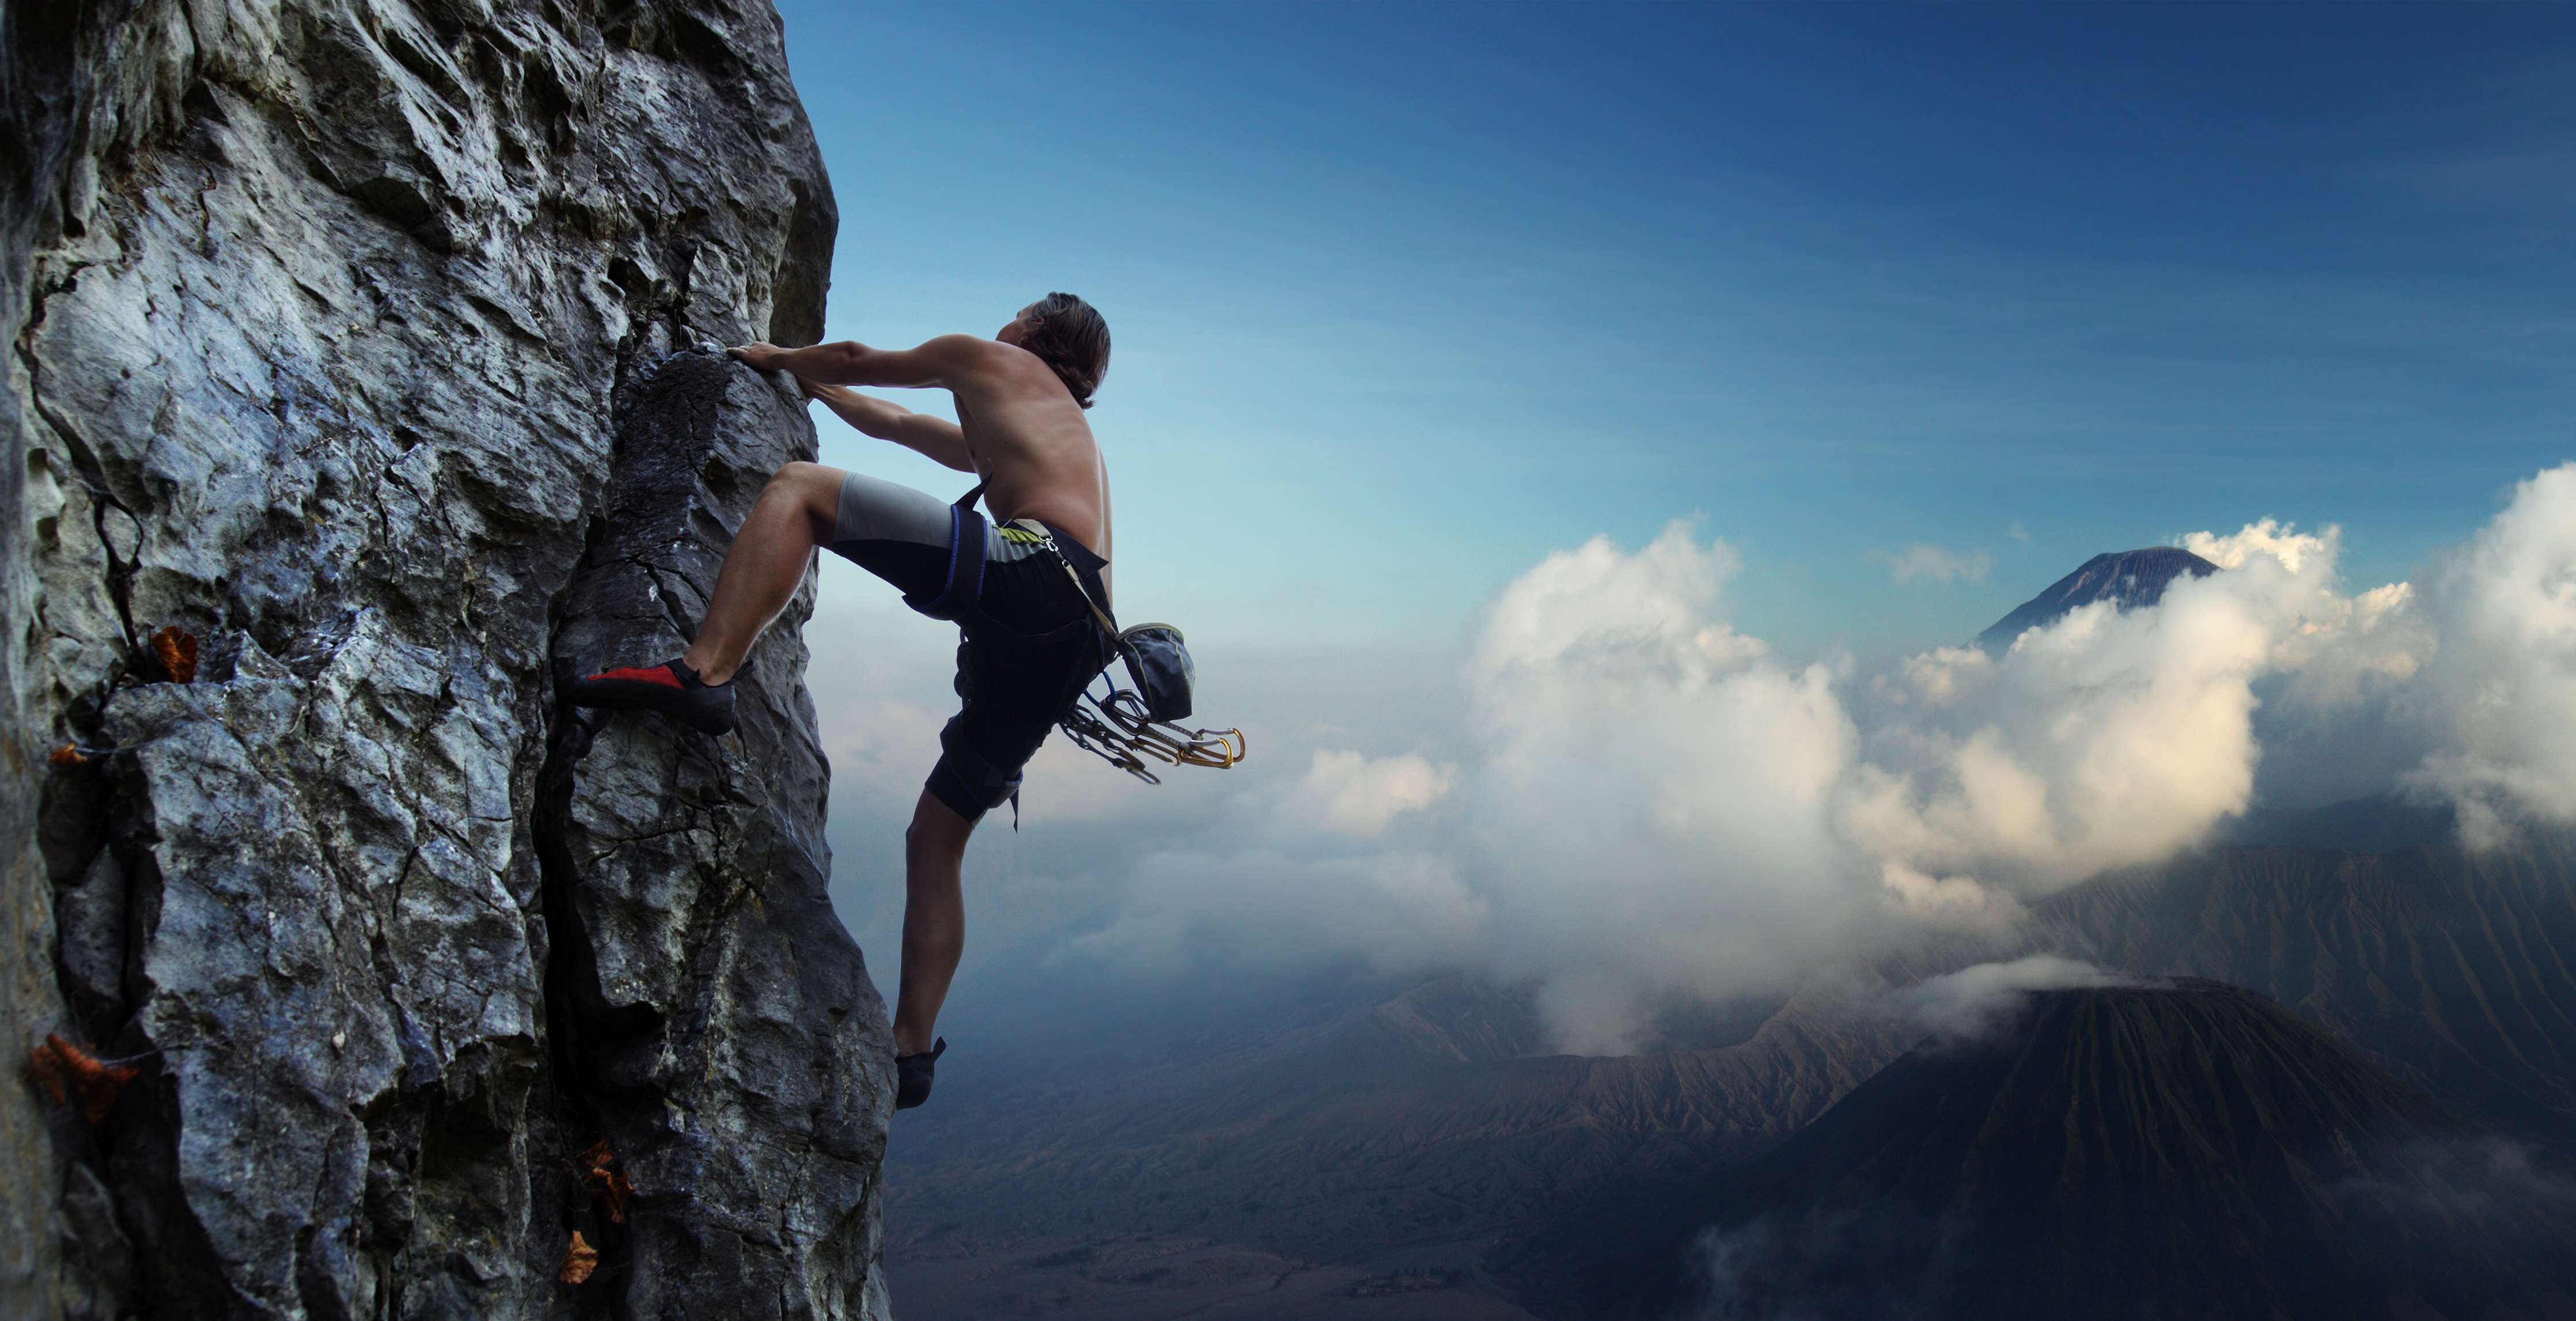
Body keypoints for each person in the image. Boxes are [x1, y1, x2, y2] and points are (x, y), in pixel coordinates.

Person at [565, 293, 1115, 1111]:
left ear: (1034, 330)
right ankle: (911, 1049)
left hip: (1035, 574)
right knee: (937, 837)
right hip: (1078, 639)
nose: (1008, 321)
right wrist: (813, 388)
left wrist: (780, 357)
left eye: (1022, 312)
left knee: (800, 489)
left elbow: (861, 359)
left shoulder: (995, 360)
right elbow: (894, 420)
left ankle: (704, 673)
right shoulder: (1042, 428)